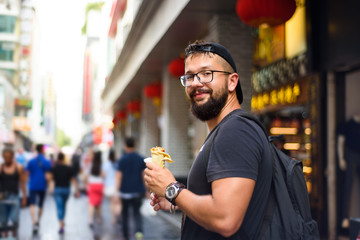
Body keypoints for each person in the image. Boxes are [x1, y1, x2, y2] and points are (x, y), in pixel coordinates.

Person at [144, 41, 272, 239]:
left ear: (232, 81)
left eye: (206, 73)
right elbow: (216, 204)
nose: (195, 82)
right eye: (189, 76)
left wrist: (171, 189)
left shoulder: (235, 130)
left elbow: (225, 218)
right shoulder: (223, 131)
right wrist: (177, 202)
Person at [116, 137, 147, 240]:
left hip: (124, 192)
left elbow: (119, 176)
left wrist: (116, 192)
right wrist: (146, 190)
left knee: (124, 214)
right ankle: (138, 234)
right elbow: (144, 176)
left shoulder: (122, 159)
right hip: (138, 191)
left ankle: (125, 236)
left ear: (125, 146)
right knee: (136, 213)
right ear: (135, 145)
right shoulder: (141, 159)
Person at [337, 114, 360, 228]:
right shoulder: (347, 125)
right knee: (348, 186)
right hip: (351, 155)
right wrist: (341, 158)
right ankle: (345, 217)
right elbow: (340, 142)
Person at [48, 152, 80, 234]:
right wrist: (77, 190)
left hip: (57, 190)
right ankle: (62, 221)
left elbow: (51, 179)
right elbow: (73, 180)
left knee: (59, 207)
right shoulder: (68, 168)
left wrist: (50, 189)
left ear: (58, 158)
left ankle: (61, 223)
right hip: (66, 190)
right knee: (64, 206)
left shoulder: (54, 168)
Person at [0, 146, 27, 238]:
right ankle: (4, 236)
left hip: (14, 196)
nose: (7, 159)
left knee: (15, 218)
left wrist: (24, 197)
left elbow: (22, 183)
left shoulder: (19, 167)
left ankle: (14, 234)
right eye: (5, 157)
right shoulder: (1, 168)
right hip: (2, 196)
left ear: (12, 157)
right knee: (3, 220)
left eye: (9, 157)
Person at [26, 143, 52, 235]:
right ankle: (38, 220)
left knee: (32, 204)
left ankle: (34, 222)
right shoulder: (47, 161)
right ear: (43, 150)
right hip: (42, 185)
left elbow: (27, 172)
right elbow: (49, 174)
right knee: (41, 204)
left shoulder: (31, 161)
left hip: (32, 185)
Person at [85, 150, 104, 228]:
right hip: (100, 185)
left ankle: (91, 220)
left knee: (91, 203)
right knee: (98, 203)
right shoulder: (102, 164)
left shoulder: (91, 164)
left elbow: (85, 175)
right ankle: (99, 218)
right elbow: (104, 175)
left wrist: (86, 183)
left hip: (92, 185)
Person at [102, 149, 121, 225]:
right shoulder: (117, 164)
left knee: (112, 203)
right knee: (118, 203)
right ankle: (118, 214)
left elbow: (103, 175)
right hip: (117, 186)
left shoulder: (106, 164)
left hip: (109, 186)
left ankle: (114, 219)